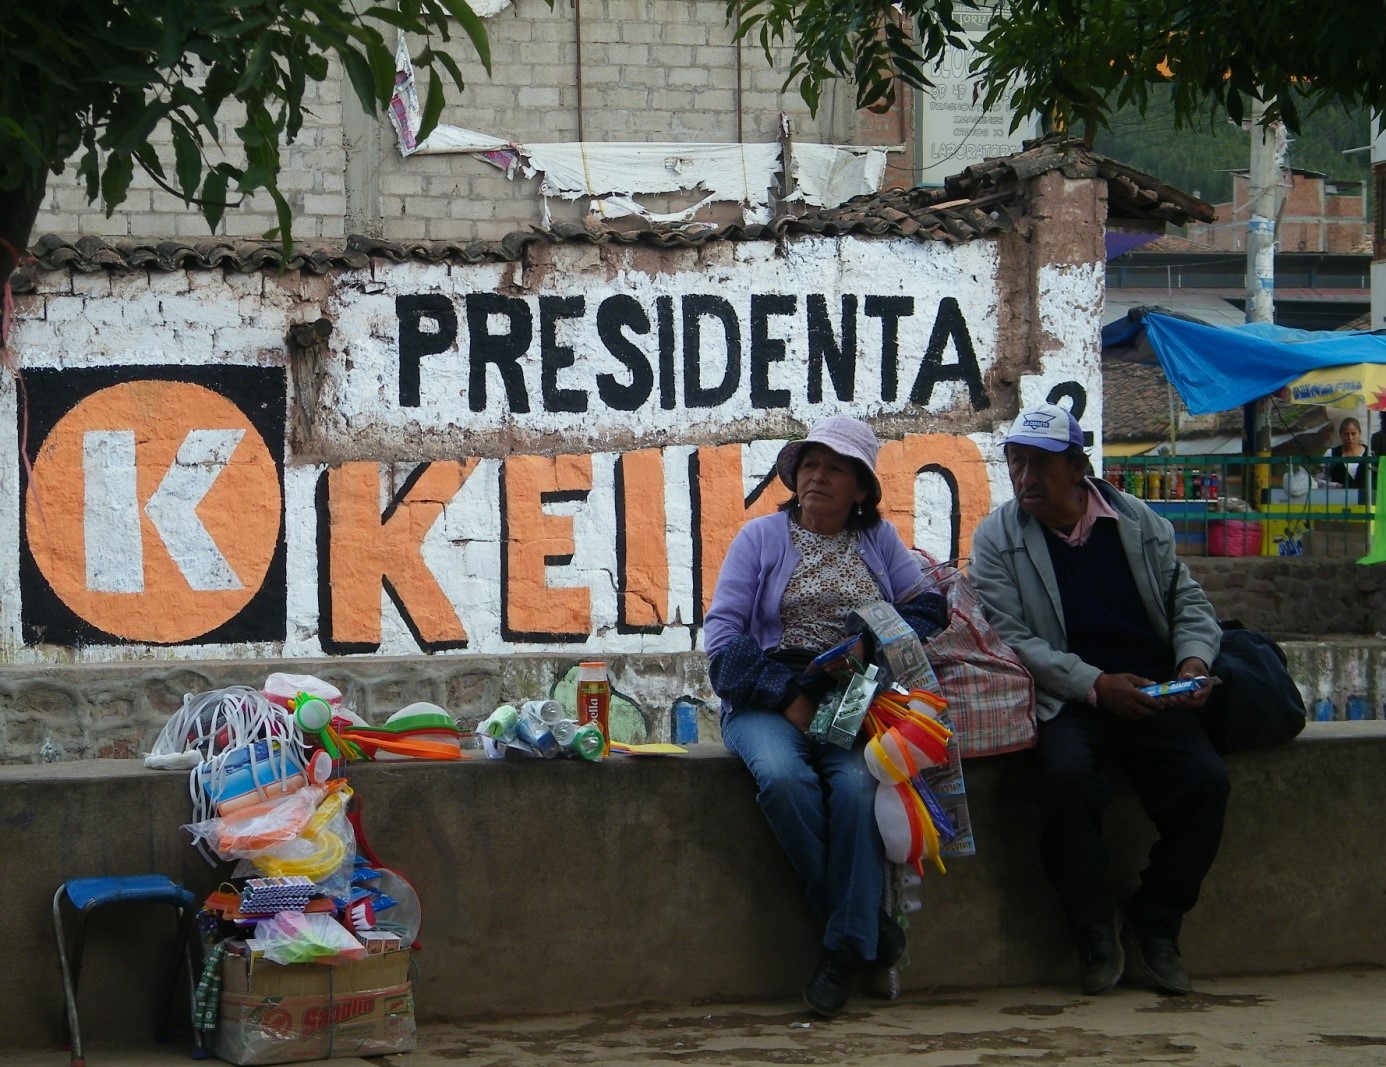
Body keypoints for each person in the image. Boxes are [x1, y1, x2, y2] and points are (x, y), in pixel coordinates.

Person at [970, 402, 1228, 997]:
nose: (1025, 478)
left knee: (1205, 783)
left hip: (1148, 689)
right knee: (1066, 781)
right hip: (1070, 698)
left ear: (1077, 466)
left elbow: (1188, 600)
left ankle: (1154, 922)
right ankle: (1093, 928)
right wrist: (1093, 683)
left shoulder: (1138, 522)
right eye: (1016, 463)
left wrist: (1192, 662)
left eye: (1041, 464)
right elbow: (1011, 637)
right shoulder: (998, 538)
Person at [703, 415, 946, 1017]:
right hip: (766, 693)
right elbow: (722, 636)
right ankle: (864, 930)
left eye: (836, 468)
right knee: (785, 779)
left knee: (858, 788)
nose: (818, 476)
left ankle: (841, 948)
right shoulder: (760, 539)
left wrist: (870, 642)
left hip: (851, 695)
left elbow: (929, 609)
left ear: (861, 488)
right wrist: (787, 695)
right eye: (810, 464)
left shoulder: (880, 542)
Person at [1323, 416, 1372, 503]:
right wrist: (1333, 485)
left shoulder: (1370, 455)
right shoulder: (1331, 454)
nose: (1350, 438)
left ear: (1359, 433)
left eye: (1353, 434)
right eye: (1346, 434)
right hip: (1339, 503)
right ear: (1340, 435)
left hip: (1366, 504)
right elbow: (1320, 480)